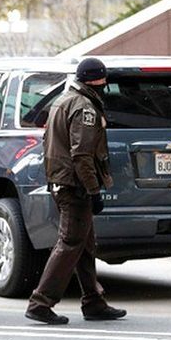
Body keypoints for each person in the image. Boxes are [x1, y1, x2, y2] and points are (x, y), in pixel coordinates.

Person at [25, 57, 127, 325]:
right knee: (71, 242)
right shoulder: (85, 107)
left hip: (63, 182)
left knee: (84, 244)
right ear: (97, 81)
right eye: (103, 81)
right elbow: (81, 154)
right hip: (75, 186)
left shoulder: (62, 100)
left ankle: (93, 301)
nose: (105, 86)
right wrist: (94, 191)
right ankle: (41, 302)